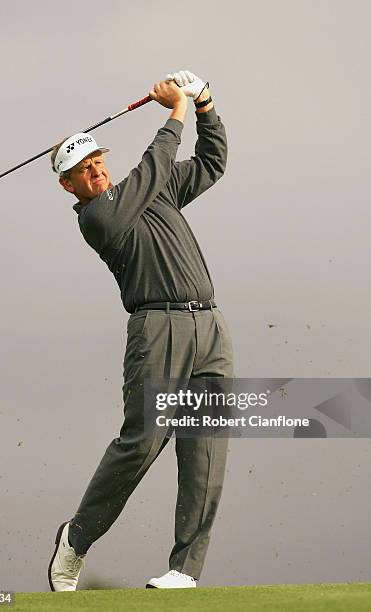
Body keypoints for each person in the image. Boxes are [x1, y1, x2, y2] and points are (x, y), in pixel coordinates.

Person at [48, 70, 235, 591]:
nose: (98, 173)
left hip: (209, 327)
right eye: (85, 170)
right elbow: (155, 164)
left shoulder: (153, 190)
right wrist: (175, 110)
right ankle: (77, 539)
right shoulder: (99, 218)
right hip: (158, 329)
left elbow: (212, 162)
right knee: (143, 442)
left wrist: (204, 106)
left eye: (99, 162)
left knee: (205, 446)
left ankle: (184, 569)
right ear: (69, 185)